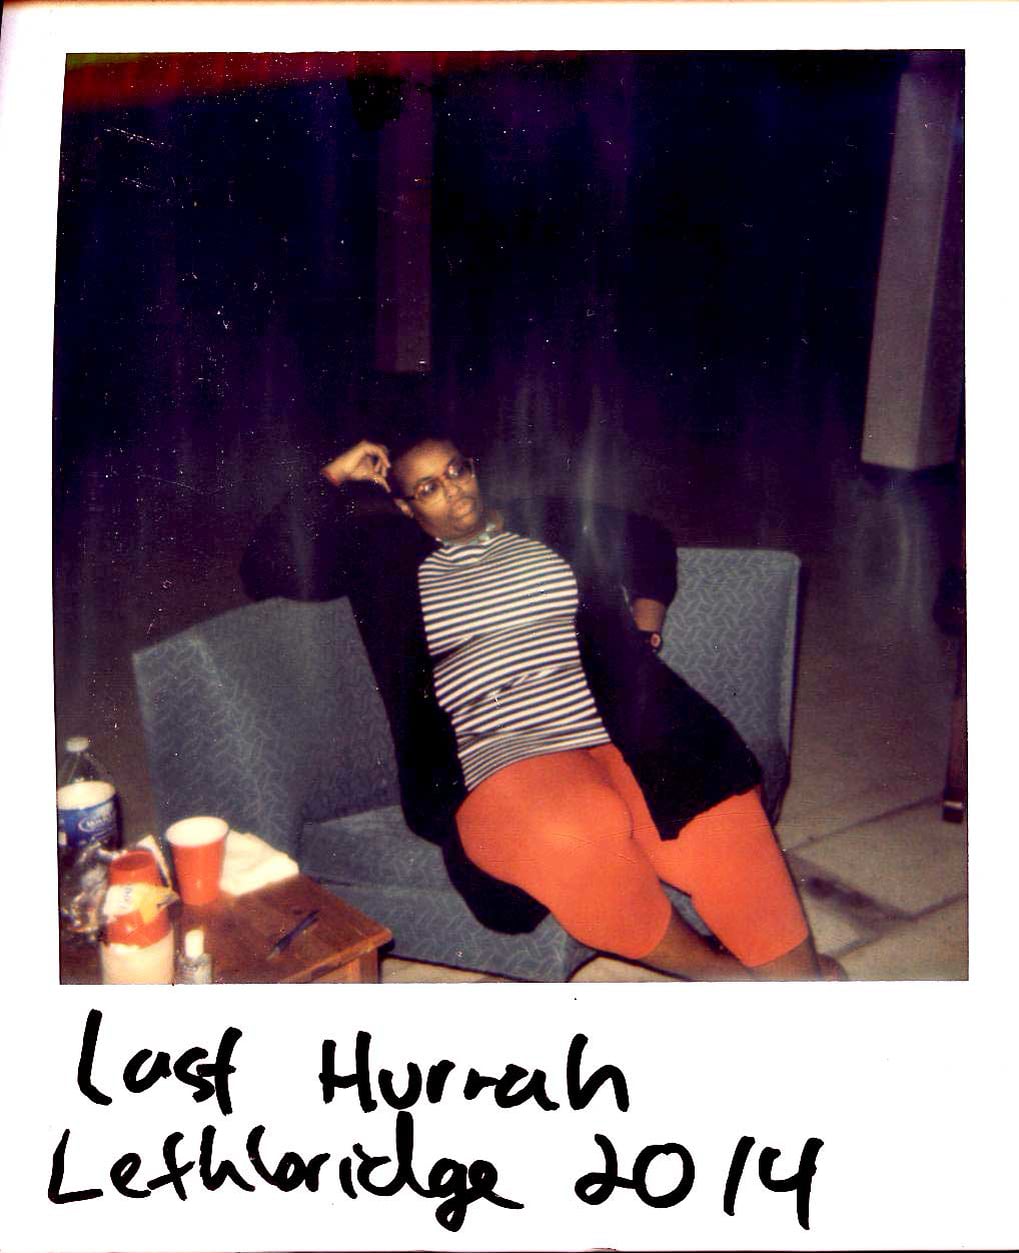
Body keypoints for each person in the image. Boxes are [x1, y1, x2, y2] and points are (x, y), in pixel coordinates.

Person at [242, 429, 841, 980]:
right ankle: (721, 979)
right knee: (573, 836)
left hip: (617, 721)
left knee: (717, 820)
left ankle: (801, 983)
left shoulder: (545, 517)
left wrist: (646, 623)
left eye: (456, 471)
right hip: (500, 747)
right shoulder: (384, 558)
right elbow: (268, 565)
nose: (454, 491)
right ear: (404, 507)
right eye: (428, 488)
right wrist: (335, 474)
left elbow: (648, 538)